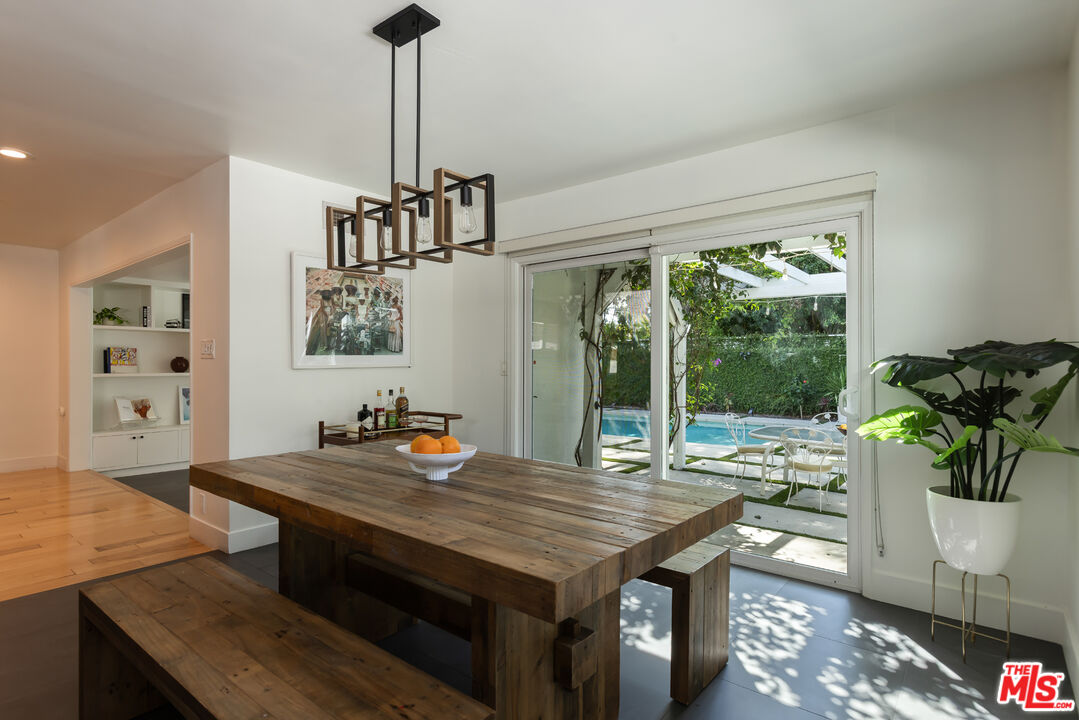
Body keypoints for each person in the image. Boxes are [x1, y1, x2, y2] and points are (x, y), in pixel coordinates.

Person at [305, 289, 334, 355]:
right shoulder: (322, 300)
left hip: (329, 314)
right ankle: (323, 344)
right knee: (323, 329)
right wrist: (327, 315)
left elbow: (332, 307)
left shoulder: (331, 299)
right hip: (323, 315)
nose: (327, 295)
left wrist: (331, 314)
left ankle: (328, 343)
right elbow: (322, 309)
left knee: (329, 329)